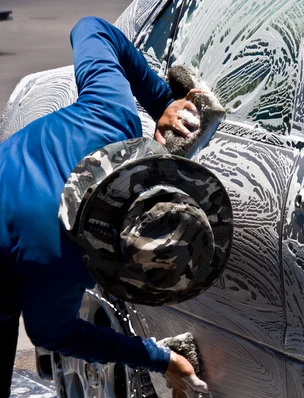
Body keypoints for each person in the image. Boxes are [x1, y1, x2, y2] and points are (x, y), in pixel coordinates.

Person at [0, 16, 212, 397]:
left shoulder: (111, 115)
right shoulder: (63, 259)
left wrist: (161, 100)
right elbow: (53, 332)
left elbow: (89, 28)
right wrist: (159, 359)